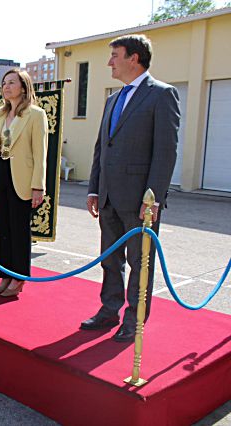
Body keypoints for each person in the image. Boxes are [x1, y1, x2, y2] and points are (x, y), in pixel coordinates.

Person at [81, 34, 179, 342]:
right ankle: (108, 309)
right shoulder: (113, 99)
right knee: (110, 260)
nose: (110, 62)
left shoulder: (162, 95)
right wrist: (94, 188)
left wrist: (154, 198)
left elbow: (166, 152)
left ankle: (135, 318)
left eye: (115, 55)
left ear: (133, 58)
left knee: (140, 262)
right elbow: (102, 148)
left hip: (140, 200)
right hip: (109, 196)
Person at [0, 69, 48, 298]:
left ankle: (19, 278)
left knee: (19, 230)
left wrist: (38, 186)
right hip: (0, 173)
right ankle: (5, 274)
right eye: (4, 83)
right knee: (3, 229)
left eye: (12, 82)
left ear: (23, 86)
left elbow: (41, 154)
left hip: (22, 177)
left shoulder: (36, 114)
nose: (6, 86)